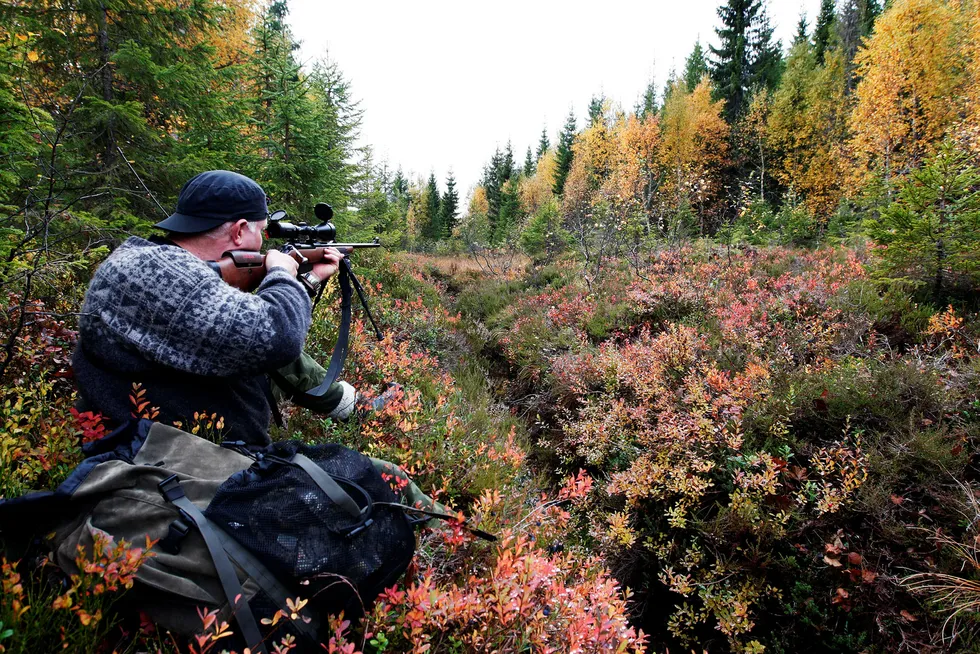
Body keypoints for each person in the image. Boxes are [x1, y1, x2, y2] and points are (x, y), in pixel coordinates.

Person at [73, 170, 441, 511]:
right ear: (239, 231)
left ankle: (354, 407)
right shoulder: (157, 276)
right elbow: (279, 335)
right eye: (261, 231)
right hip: (178, 467)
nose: (263, 243)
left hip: (169, 442)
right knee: (387, 479)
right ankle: (456, 535)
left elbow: (239, 326)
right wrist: (281, 271)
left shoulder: (149, 264)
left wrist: (308, 279)